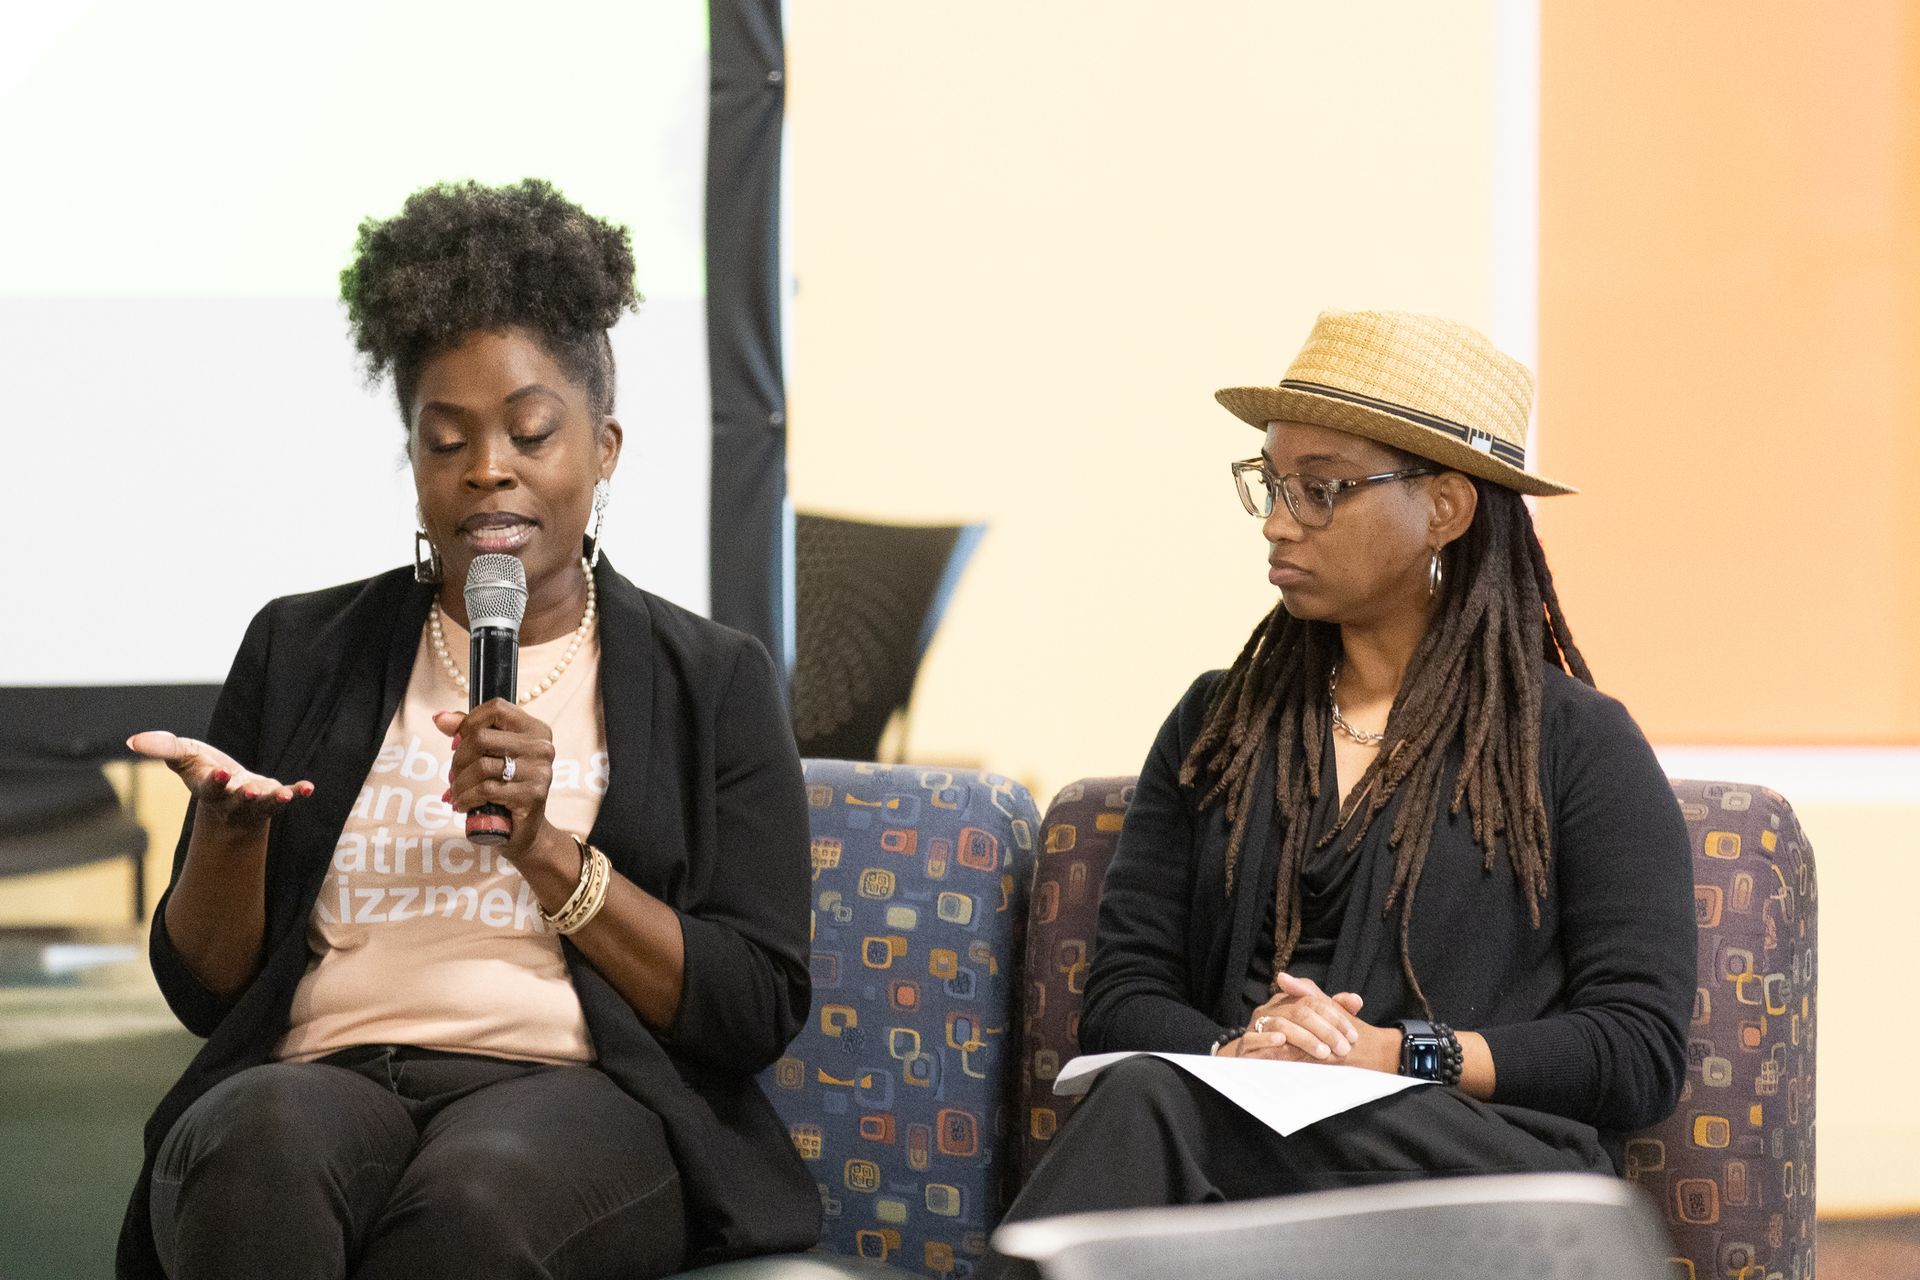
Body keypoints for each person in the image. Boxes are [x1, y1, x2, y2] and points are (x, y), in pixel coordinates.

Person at [117, 179, 817, 1280]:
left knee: (475, 1202)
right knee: (253, 1149)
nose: (488, 467)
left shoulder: (714, 679)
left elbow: (754, 1003)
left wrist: (546, 849)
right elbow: (205, 995)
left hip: (575, 1092)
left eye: (531, 432)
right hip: (325, 1070)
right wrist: (231, 841)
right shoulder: (301, 647)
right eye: (446, 441)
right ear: (415, 463)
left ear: (605, 447)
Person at [985, 310, 1696, 1270]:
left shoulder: (1576, 743)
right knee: (1156, 1096)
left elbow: (1636, 1050)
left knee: (1151, 1104)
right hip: (1229, 1130)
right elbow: (1125, 997)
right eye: (1272, 484)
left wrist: (1396, 1053)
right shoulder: (1217, 725)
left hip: (1473, 1171)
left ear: (1444, 507)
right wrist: (1245, 1048)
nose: (1279, 521)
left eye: (1321, 490)